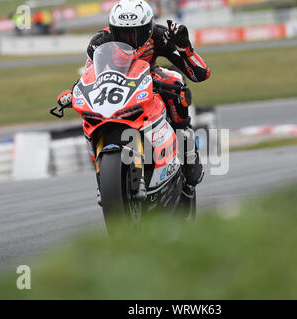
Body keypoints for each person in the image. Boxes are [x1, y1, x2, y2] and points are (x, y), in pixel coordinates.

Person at [56, 0, 211, 190]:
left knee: (176, 83)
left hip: (149, 78)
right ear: (113, 29)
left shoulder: (160, 35)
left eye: (135, 32)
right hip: (114, 85)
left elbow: (201, 74)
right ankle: (102, 169)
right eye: (122, 33)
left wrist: (184, 47)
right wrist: (74, 92)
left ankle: (187, 148)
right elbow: (88, 75)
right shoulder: (99, 42)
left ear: (148, 28)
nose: (129, 38)